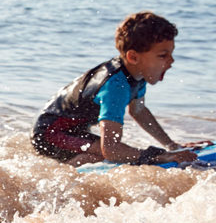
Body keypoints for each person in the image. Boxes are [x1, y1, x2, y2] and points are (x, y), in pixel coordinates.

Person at [31, 11, 202, 167]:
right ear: (133, 57)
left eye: (171, 54)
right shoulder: (115, 86)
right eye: (163, 55)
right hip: (49, 133)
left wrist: (171, 145)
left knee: (116, 154)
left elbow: (139, 111)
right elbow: (111, 149)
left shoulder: (136, 74)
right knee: (104, 158)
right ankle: (61, 173)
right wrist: (159, 156)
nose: (171, 61)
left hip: (72, 130)